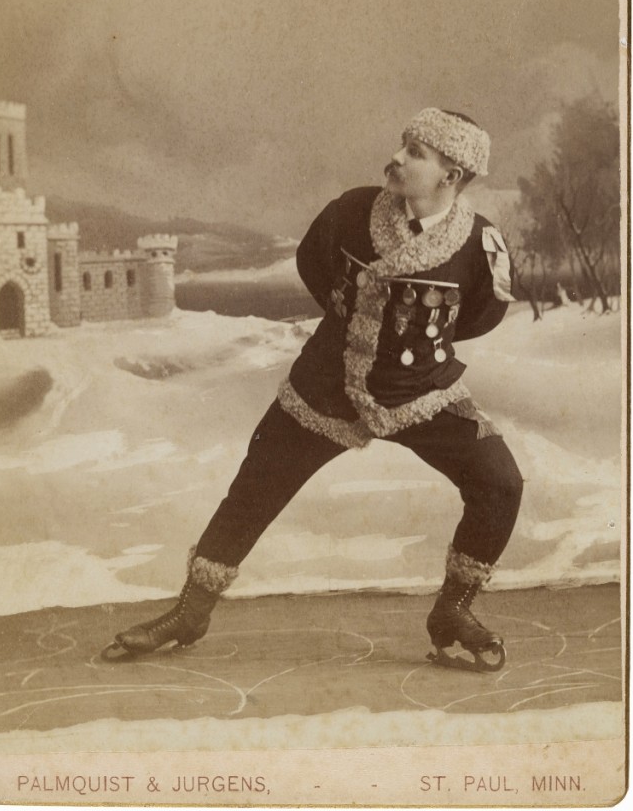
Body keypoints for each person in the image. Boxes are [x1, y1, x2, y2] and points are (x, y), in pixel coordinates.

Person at [105, 108, 523, 672]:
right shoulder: (351, 211)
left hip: (422, 390)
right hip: (327, 384)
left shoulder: (482, 243)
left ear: (451, 175)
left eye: (416, 153)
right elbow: (313, 266)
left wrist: (413, 357)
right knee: (254, 486)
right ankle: (190, 611)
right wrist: (353, 334)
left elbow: (480, 315)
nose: (397, 157)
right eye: (403, 143)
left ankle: (452, 612)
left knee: (500, 484)